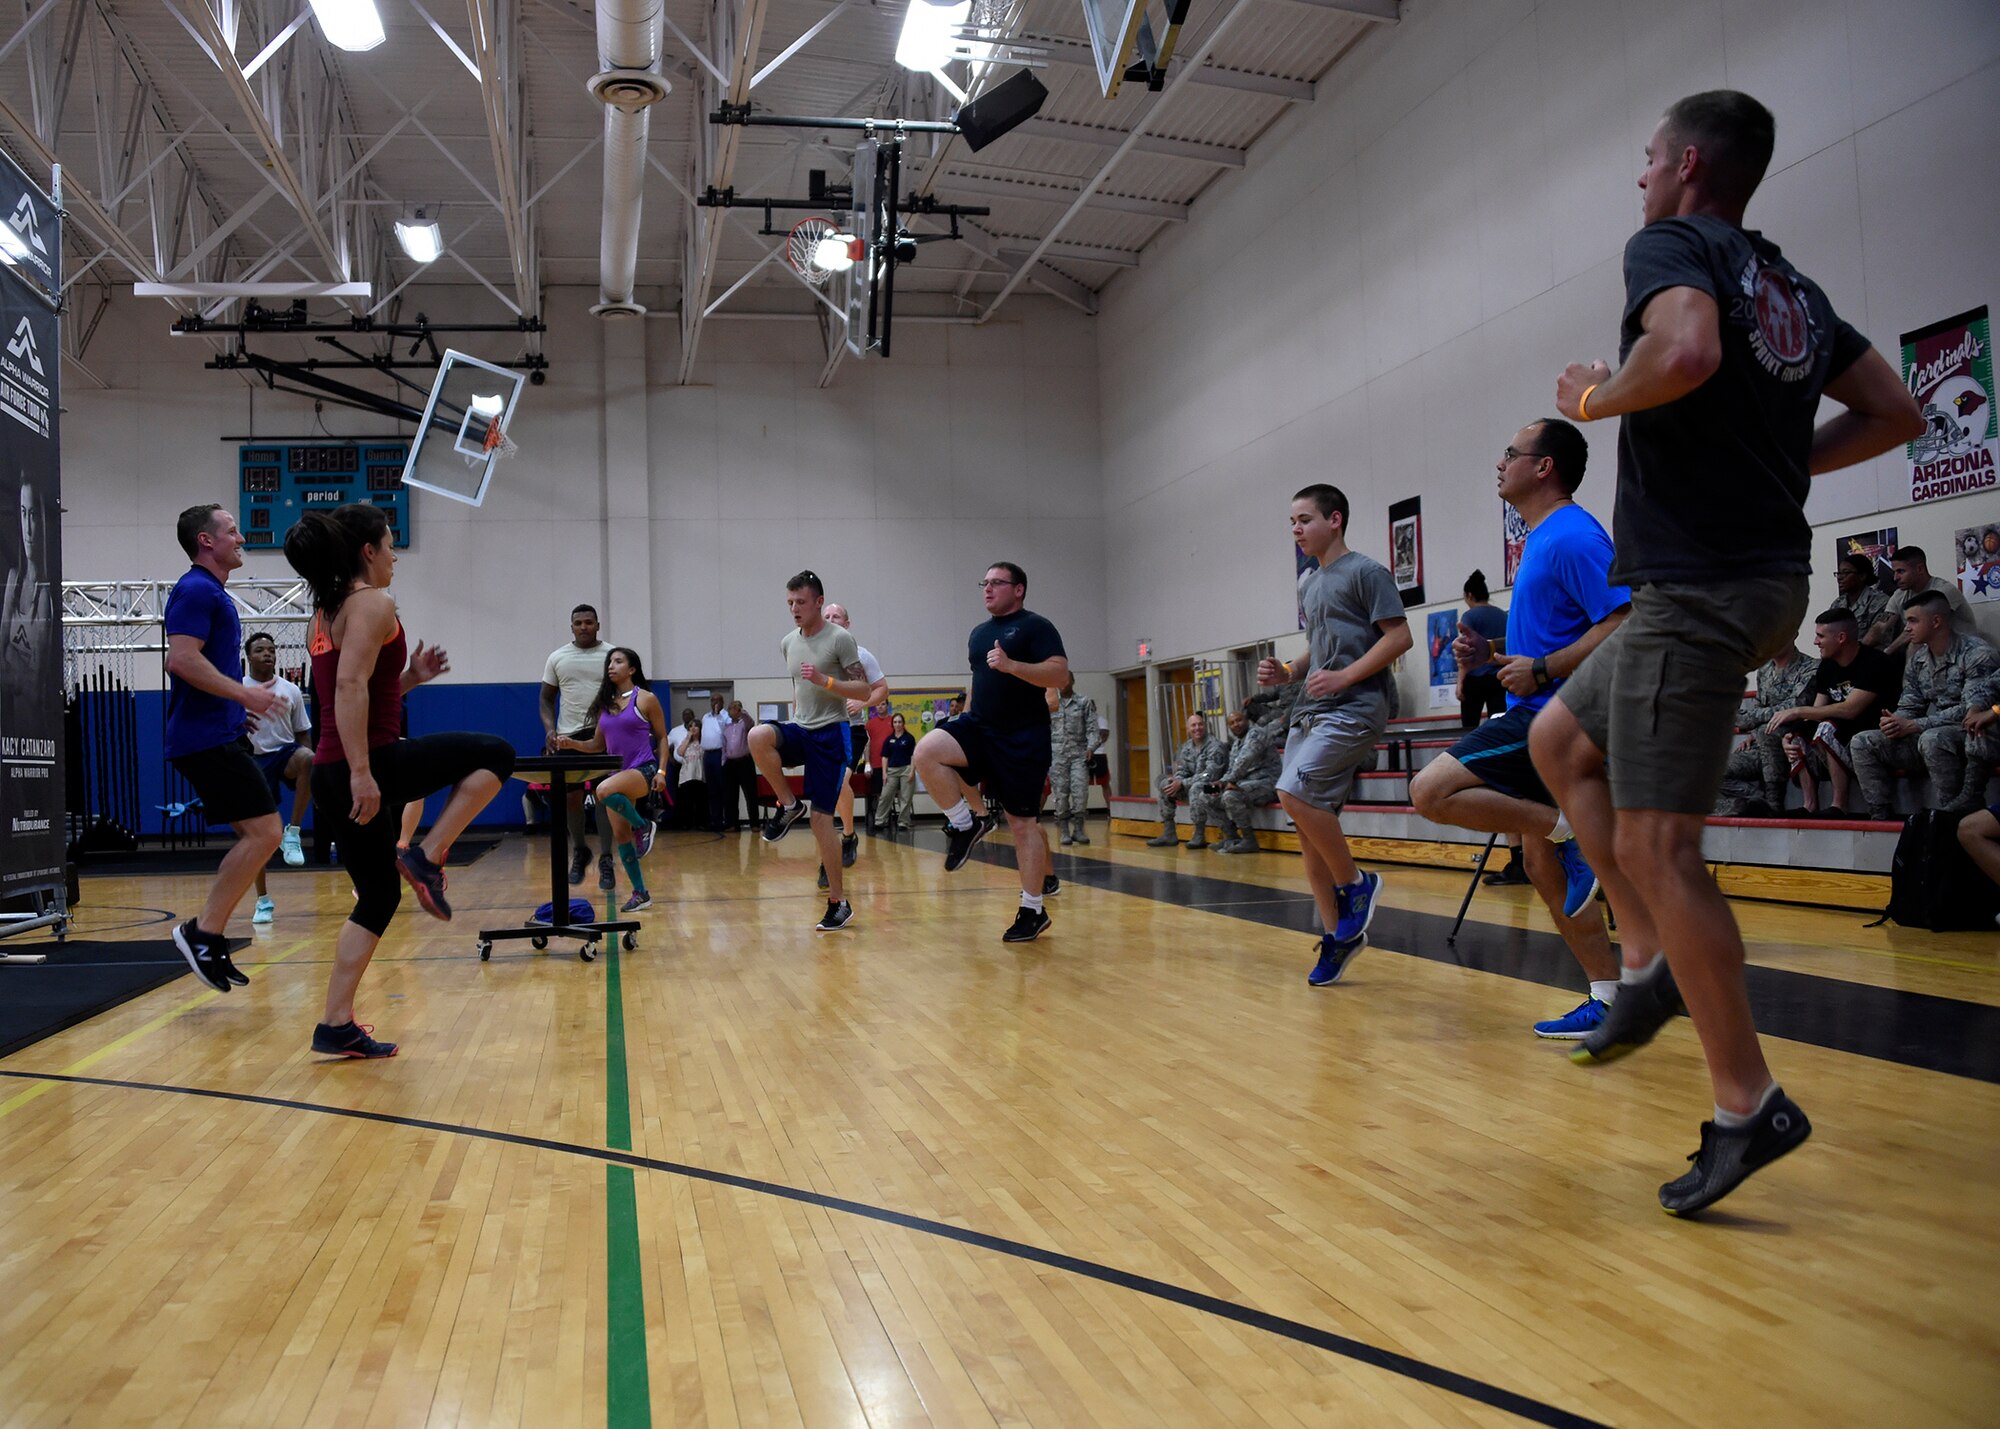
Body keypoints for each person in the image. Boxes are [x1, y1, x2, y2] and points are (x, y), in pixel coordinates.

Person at [1533, 90, 1925, 1213]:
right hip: (1758, 584)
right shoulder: (1789, 287)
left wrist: (1597, 396)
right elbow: (1896, 410)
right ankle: (1651, 962)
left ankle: (1746, 1103)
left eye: (1646, 157)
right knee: (1563, 738)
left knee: (1663, 848)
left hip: (1697, 592)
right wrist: (1787, 467)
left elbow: (1687, 348)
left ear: (1687, 164)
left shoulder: (1670, 245)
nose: (1637, 176)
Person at [1409, 420, 1631, 1037]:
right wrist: (1497, 656)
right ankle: (1609, 997)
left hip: (1564, 718)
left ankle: (1570, 831)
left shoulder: (1573, 536)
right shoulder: (1540, 539)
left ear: (1544, 467)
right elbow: (1563, 633)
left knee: (1430, 791)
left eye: (1511, 453)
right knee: (1541, 868)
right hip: (1542, 704)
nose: (1499, 462)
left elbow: (1626, 621)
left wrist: (1545, 667)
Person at [286, 503, 514, 1058]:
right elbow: (346, 691)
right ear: (368, 551)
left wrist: (410, 677)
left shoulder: (327, 609)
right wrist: (366, 774)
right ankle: (428, 854)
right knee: (497, 754)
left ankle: (334, 1024)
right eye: (390, 546)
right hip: (365, 767)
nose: (395, 557)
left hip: (333, 773)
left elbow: (363, 689)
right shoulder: (371, 602)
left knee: (378, 896)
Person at [1259, 484, 1412, 987]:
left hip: (1357, 706)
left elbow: (1399, 637)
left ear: (1335, 520)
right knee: (1306, 828)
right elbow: (1317, 647)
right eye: (1291, 523)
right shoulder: (1308, 581)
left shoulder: (1367, 572)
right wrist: (1290, 670)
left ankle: (1357, 884)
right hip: (1313, 707)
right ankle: (1339, 935)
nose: (1296, 530)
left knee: (1291, 790)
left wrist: (1346, 677)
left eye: (1304, 520)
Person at [911, 561, 1070, 943]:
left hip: (1023, 737)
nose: (987, 588)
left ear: (1019, 590)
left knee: (1022, 824)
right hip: (980, 726)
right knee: (927, 751)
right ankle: (967, 823)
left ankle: (1033, 910)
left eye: (997, 583)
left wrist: (1014, 665)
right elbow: (977, 681)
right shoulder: (979, 634)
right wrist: (963, 719)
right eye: (985, 582)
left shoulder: (1037, 626)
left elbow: (1059, 675)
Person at [161, 504, 285, 991]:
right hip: (203, 741)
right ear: (205, 541)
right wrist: (244, 693)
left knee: (258, 836)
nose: (240, 537)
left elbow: (201, 667)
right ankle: (202, 932)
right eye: (231, 531)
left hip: (220, 733)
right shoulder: (194, 589)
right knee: (266, 833)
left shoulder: (211, 593)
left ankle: (208, 934)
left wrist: (238, 710)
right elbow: (182, 661)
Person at [750, 571, 872, 932]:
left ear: (819, 601)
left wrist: (827, 681)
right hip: (801, 728)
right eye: (789, 603)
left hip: (832, 735)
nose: (794, 609)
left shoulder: (841, 639)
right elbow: (797, 689)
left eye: (800, 602)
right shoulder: (788, 641)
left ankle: (839, 902)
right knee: (758, 736)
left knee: (821, 822)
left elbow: (864, 690)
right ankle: (789, 805)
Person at [1849, 591, 1998, 819]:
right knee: (1863, 741)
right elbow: (1910, 704)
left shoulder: (1977, 653)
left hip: (1968, 734)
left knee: (1933, 739)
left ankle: (1953, 816)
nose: (1906, 628)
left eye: (1912, 621)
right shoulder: (1918, 659)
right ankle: (1880, 816)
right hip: (1931, 731)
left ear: (1936, 621)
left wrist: (1915, 725)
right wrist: (1895, 722)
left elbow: (1972, 710)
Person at [554, 648, 671, 911]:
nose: (611, 665)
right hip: (618, 777)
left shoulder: (646, 699)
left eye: (618, 661)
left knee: (602, 790)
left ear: (631, 670)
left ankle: (643, 826)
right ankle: (641, 893)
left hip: (644, 770)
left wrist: (662, 772)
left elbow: (663, 737)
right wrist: (571, 743)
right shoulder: (605, 705)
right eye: (610, 661)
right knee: (621, 838)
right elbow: (597, 745)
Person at [1758, 609, 1901, 816]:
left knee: (1826, 728)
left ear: (1841, 637)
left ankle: (1839, 805)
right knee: (1798, 734)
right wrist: (1790, 736)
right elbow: (1816, 711)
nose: (1816, 642)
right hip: (1840, 733)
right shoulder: (1827, 666)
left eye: (1820, 636)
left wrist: (1797, 711)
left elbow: (1851, 710)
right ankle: (1810, 805)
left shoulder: (1874, 663)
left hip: (1874, 732)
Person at [241, 631, 315, 925]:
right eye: (260, 650)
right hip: (254, 760)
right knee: (256, 836)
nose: (268, 654)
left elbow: (303, 734)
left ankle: (293, 833)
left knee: (309, 758)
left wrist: (309, 771)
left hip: (286, 754)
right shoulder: (238, 689)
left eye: (271, 649)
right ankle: (262, 900)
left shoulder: (291, 690)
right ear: (249, 657)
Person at [541, 604, 612, 887]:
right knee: (571, 798)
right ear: (571, 627)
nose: (584, 627)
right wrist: (549, 729)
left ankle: (606, 856)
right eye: (578, 623)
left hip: (603, 735)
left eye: (589, 622)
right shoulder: (557, 657)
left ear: (598, 625)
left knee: (604, 794)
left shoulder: (611, 655)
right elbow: (546, 699)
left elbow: (626, 693)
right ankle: (580, 850)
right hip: (568, 736)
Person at [823, 603, 889, 885]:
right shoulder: (815, 655)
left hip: (852, 730)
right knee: (823, 800)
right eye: (826, 616)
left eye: (835, 616)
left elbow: (882, 688)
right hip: (821, 731)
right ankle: (831, 855)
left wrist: (863, 700)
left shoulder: (861, 656)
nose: (830, 619)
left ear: (847, 624)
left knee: (840, 781)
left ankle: (848, 834)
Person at [1714, 639, 1817, 816]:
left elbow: (1796, 706)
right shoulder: (1765, 670)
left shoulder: (1811, 667)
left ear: (1793, 634)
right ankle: (1757, 802)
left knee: (1766, 731)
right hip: (1762, 746)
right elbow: (1761, 706)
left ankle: (1774, 805)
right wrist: (1754, 734)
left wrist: (1750, 720)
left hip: (1793, 747)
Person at [1865, 546, 1976, 654]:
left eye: (1901, 571)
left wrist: (1888, 651)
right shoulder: (1900, 594)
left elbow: (1922, 629)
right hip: (1934, 651)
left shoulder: (1943, 591)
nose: (1895, 578)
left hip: (1964, 650)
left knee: (1916, 643)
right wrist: (1859, 651)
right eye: (1894, 572)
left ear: (1920, 569)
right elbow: (1881, 626)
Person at [1147, 713, 1226, 848]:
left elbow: (1210, 774)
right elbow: (1183, 770)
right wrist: (1177, 779)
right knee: (1167, 785)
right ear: (1188, 729)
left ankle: (1199, 835)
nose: (1197, 728)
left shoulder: (1215, 746)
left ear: (1205, 726)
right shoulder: (1187, 747)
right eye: (1193, 725)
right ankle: (1169, 833)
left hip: (1217, 787)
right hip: (1194, 784)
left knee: (1197, 787)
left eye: (1200, 724)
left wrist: (1183, 783)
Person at [1213, 708, 1282, 853]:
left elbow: (1244, 760)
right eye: (1232, 723)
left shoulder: (1256, 734)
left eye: (1239, 720)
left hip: (1268, 783)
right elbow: (1232, 767)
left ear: (1246, 720)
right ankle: (1231, 837)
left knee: (1230, 796)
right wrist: (1220, 783)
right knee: (1206, 794)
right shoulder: (1237, 743)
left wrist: (1229, 782)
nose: (1236, 724)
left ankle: (1249, 840)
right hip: (1244, 783)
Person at [1048, 674, 1102, 846]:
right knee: (1061, 794)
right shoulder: (1051, 704)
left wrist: (1091, 748)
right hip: (1057, 756)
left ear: (1072, 682)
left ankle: (1078, 829)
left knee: (1080, 792)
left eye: (1066, 680)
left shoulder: (1083, 702)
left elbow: (1094, 729)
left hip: (1079, 755)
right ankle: (1064, 830)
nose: (1063, 684)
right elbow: (1043, 730)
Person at [1455, 570, 1509, 727]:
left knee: (1469, 728)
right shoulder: (1502, 615)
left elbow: (1466, 650)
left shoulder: (1470, 616)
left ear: (1469, 596)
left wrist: (1460, 683)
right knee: (1498, 727)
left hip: (1475, 679)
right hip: (1499, 678)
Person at [719, 698, 756, 829]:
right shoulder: (726, 727)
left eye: (737, 708)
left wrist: (742, 712)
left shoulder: (745, 724)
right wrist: (723, 762)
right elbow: (724, 745)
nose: (734, 710)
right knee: (730, 795)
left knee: (750, 794)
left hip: (745, 762)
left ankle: (754, 824)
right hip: (730, 764)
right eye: (732, 708)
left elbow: (751, 722)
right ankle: (732, 824)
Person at [1831, 551, 1888, 635]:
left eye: (1846, 573)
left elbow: (1878, 639)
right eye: (1839, 573)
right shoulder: (1837, 604)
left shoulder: (1881, 602)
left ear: (1862, 576)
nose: (1839, 577)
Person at [697, 693, 731, 831]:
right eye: (712, 700)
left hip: (719, 754)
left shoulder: (726, 716)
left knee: (723, 788)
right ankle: (715, 821)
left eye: (717, 700)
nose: (714, 703)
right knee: (711, 790)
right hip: (707, 755)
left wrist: (719, 716)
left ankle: (726, 820)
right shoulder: (706, 717)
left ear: (722, 702)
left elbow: (726, 733)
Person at [879, 713, 918, 832]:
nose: (897, 724)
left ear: (903, 723)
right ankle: (880, 821)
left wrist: (912, 771)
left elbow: (913, 756)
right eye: (895, 722)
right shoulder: (888, 739)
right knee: (885, 796)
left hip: (906, 769)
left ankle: (903, 822)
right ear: (892, 724)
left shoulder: (909, 738)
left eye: (899, 722)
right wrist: (884, 773)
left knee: (905, 797)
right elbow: (884, 757)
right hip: (892, 770)